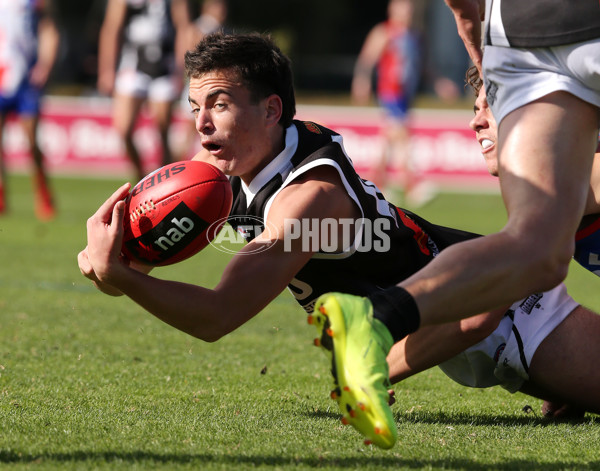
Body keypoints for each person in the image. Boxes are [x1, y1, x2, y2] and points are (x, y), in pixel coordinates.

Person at [77, 33, 599, 449]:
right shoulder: (232, 170)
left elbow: (217, 316)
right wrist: (120, 261)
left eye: (219, 104)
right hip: (466, 329)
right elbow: (146, 277)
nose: (202, 124)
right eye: (195, 107)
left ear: (271, 110)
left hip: (512, 315)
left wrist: (121, 275)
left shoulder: (308, 201)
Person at [311, 0, 600, 447]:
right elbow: (479, 316)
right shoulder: (577, 188)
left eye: (489, 103)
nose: (475, 120)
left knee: (535, 249)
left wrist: (478, 37)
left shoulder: (568, 193)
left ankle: (375, 318)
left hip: (519, 32)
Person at [386, 67, 600, 420]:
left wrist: (374, 368)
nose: (476, 122)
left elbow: (482, 311)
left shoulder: (580, 174)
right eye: (475, 109)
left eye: (493, 106)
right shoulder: (567, 174)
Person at [97, 0, 190, 181]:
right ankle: (142, 178)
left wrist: (181, 71)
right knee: (124, 129)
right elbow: (111, 28)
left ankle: (165, 184)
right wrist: (106, 70)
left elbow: (183, 27)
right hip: (134, 63)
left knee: (163, 130)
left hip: (164, 64)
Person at [351, 0, 426, 203]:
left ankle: (375, 184)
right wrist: (362, 80)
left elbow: (422, 64)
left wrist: (440, 83)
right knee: (402, 136)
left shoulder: (414, 35)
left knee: (389, 140)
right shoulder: (384, 32)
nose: (407, 13)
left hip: (405, 95)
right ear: (392, 10)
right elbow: (368, 58)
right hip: (390, 92)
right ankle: (412, 185)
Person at [0, 0, 59, 220]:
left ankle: (43, 193)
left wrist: (45, 65)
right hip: (1, 75)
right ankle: (1, 195)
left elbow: (49, 29)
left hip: (25, 79)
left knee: (32, 141)